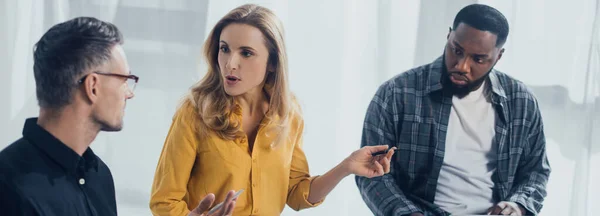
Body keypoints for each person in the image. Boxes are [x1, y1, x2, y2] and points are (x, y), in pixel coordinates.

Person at [149, 4, 396, 216]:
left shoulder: (289, 114)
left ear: (273, 63)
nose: (230, 63)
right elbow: (164, 201)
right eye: (224, 49)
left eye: (246, 53)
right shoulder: (194, 112)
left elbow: (296, 194)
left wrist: (345, 168)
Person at [356, 4, 551, 216]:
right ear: (449, 36)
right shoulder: (397, 93)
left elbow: (535, 171)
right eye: (456, 50)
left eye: (478, 59)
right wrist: (408, 214)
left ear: (498, 56)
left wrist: (518, 206)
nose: (462, 66)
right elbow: (371, 174)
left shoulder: (521, 101)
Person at [0, 17, 137, 215]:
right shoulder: (8, 185)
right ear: (93, 87)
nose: (129, 93)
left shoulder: (99, 175)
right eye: (125, 80)